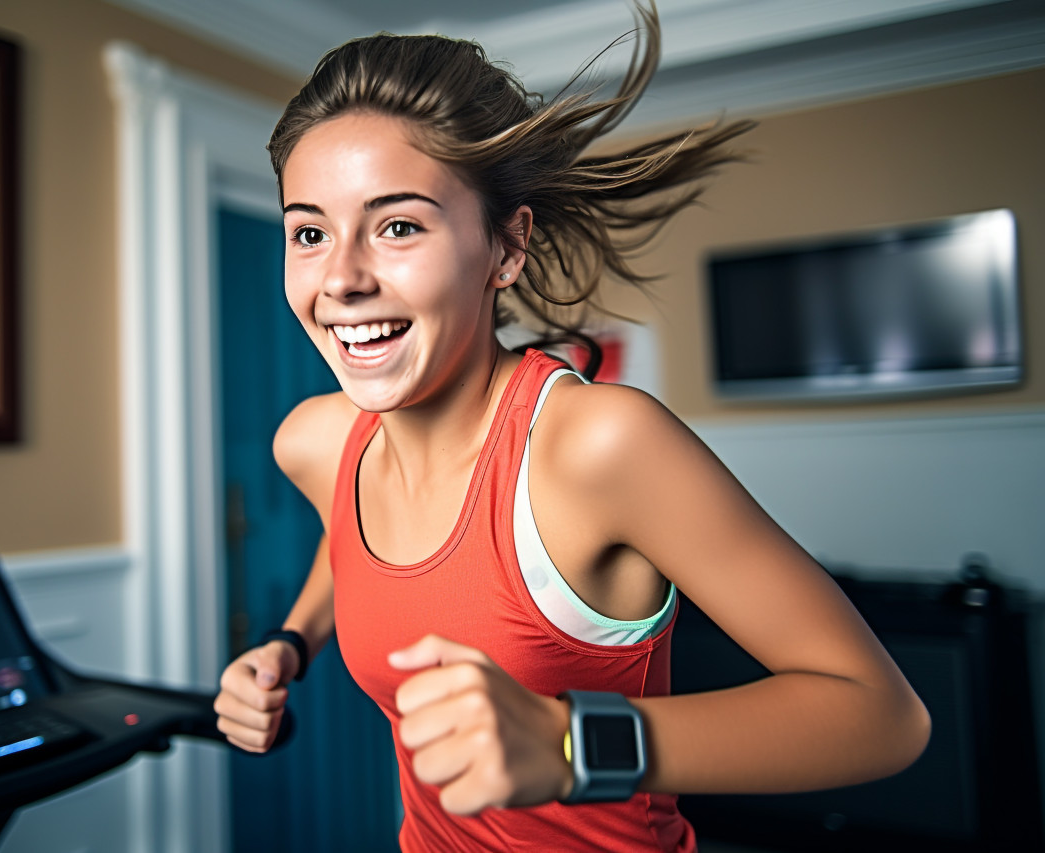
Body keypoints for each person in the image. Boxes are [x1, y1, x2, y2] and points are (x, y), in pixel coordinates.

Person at [214, 5, 931, 851]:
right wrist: (290, 644)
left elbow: (881, 713)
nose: (341, 277)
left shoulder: (598, 446)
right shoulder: (317, 442)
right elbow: (352, 542)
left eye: (398, 225)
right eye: (310, 232)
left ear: (506, 248)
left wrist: (568, 741)